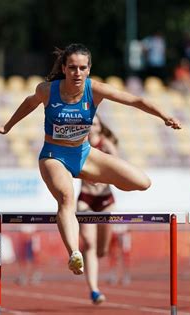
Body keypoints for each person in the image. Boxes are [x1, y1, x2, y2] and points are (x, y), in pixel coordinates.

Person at [0, 43, 181, 277]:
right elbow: (29, 103)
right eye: (72, 68)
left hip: (84, 154)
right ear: (64, 68)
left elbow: (134, 100)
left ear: (89, 69)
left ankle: (97, 181)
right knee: (67, 197)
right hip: (54, 156)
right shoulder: (47, 90)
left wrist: (164, 115)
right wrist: (6, 127)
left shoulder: (95, 90)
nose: (77, 73)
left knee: (142, 182)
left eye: (82, 68)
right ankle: (74, 254)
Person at [77, 115, 117, 304]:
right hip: (85, 198)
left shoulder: (106, 144)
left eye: (95, 123)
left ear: (100, 127)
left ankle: (100, 250)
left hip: (105, 199)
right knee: (90, 244)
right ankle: (94, 290)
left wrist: (103, 175)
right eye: (90, 123)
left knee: (102, 249)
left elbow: (119, 167)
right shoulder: (80, 143)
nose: (92, 126)